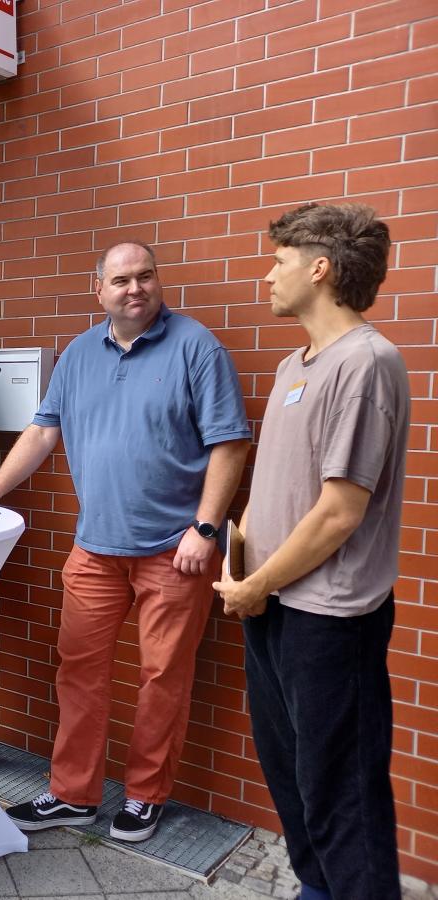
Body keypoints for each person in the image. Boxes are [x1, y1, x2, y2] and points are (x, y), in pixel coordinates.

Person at [0, 241, 250, 842]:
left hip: (176, 549)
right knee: (78, 672)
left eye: (145, 276)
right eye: (121, 280)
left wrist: (207, 526)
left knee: (162, 676)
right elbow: (43, 432)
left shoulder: (196, 346)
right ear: (100, 291)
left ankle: (145, 796)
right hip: (96, 550)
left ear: (157, 282)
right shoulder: (79, 355)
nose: (134, 288)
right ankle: (72, 794)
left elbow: (230, 442)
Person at [213, 204, 408, 900]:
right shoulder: (298, 363)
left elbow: (339, 513)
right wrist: (239, 539)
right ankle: (317, 890)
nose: (268, 275)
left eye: (279, 261)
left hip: (328, 617)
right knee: (293, 774)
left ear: (319, 269)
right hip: (271, 605)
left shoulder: (365, 363)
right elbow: (295, 489)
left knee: (342, 789)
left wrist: (255, 581)